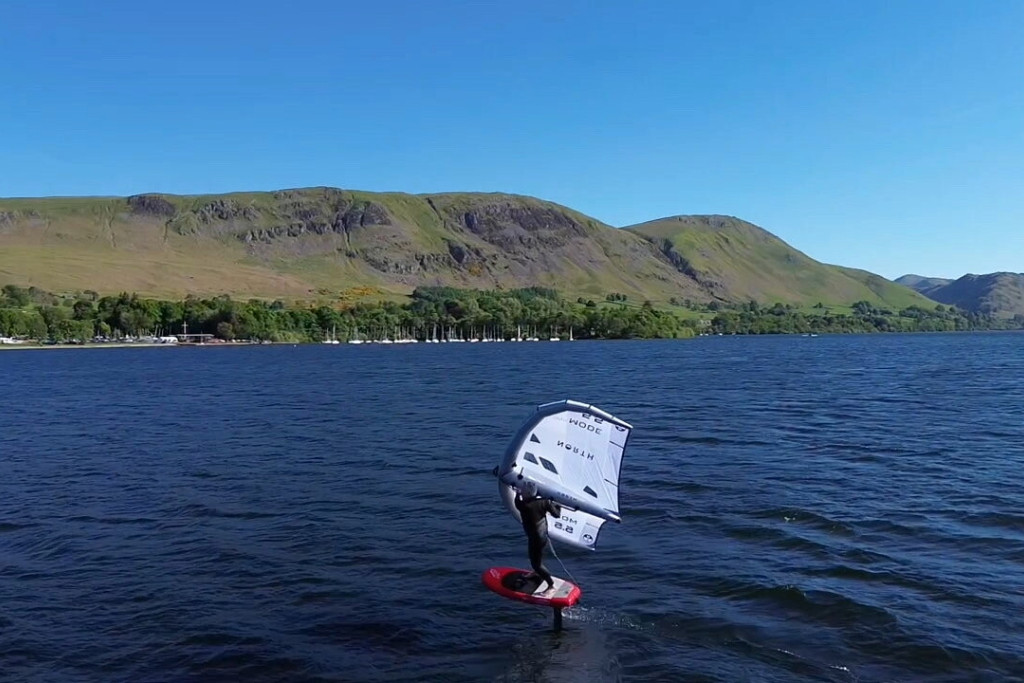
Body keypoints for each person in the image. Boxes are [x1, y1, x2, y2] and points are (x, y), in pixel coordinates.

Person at [514, 480, 562, 593]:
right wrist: (557, 504)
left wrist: (517, 493)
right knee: (538, 558)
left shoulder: (524, 506)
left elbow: (516, 501)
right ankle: (536, 573)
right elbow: (557, 514)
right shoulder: (544, 502)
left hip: (535, 538)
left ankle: (551, 585)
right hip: (543, 536)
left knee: (536, 564)